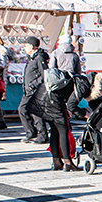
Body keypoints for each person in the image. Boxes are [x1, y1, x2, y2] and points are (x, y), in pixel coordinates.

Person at [30, 44, 78, 172]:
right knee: (63, 130)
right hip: (57, 95)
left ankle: (56, 161)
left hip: (47, 94)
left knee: (54, 131)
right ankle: (68, 162)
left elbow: (50, 69)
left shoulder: (56, 53)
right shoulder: (74, 57)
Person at [19, 37, 48, 143]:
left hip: (36, 90)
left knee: (37, 113)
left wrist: (34, 84)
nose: (24, 47)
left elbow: (45, 74)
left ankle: (42, 135)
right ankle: (31, 132)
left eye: (26, 45)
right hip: (28, 90)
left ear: (32, 46)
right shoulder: (31, 58)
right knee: (22, 110)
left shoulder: (39, 58)